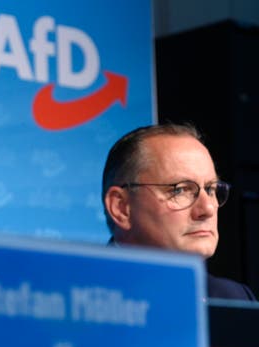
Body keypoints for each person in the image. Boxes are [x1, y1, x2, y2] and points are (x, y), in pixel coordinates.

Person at [102, 123, 255, 300]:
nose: (208, 209)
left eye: (211, 189)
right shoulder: (78, 296)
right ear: (121, 207)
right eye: (180, 190)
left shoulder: (234, 297)